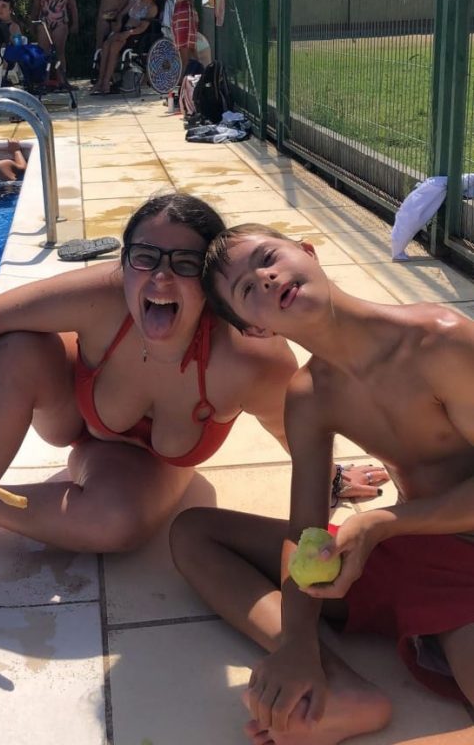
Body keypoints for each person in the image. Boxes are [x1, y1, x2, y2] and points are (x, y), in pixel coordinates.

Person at [0, 195, 380, 636]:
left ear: (210, 283)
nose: (160, 276)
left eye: (185, 262)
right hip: (72, 415)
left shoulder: (249, 359)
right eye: (145, 257)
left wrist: (333, 479)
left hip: (150, 464)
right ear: (125, 262)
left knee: (116, 525)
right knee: (16, 347)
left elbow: (292, 432)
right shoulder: (102, 295)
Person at [171, 222, 474, 744]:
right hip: (406, 548)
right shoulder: (309, 394)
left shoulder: (439, 341)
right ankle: (332, 683)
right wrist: (296, 643)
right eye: (247, 289)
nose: (266, 279)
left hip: (457, 561)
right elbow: (305, 531)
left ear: (308, 251)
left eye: (268, 258)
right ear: (254, 329)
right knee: (194, 532)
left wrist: (381, 523)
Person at [91, 0, 165, 95]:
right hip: (123, 29)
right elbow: (122, 14)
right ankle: (100, 81)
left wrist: (128, 33)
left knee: (114, 46)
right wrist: (119, 22)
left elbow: (142, 28)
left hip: (136, 35)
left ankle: (105, 83)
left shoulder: (152, 8)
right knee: (106, 45)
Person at [30, 0, 78, 84]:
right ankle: (44, 81)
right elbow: (36, 6)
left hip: (60, 21)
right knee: (43, 52)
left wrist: (75, 23)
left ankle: (62, 80)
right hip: (44, 21)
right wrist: (32, 23)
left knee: (59, 51)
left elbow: (72, 5)